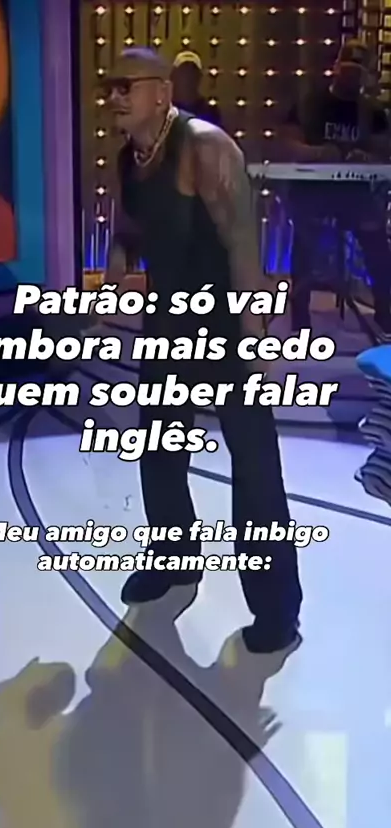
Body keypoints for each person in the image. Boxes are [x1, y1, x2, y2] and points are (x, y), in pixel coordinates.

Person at [104, 48, 302, 654]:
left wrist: (256, 336)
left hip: (226, 329)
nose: (114, 97)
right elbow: (129, 231)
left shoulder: (206, 147)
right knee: (159, 451)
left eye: (126, 86)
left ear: (161, 93)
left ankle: (277, 609)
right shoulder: (131, 159)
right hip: (168, 327)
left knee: (255, 468)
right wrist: (111, 287)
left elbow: (243, 244)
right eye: (110, 86)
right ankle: (174, 557)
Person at [280, 39, 391, 339]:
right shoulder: (311, 104)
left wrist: (368, 158)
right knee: (305, 238)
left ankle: (386, 315)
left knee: (377, 240)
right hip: (313, 193)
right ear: (336, 68)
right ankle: (300, 317)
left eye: (358, 72)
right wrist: (318, 153)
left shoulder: (372, 112)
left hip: (355, 196)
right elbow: (286, 144)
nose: (352, 77)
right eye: (348, 69)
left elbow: (385, 150)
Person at [171, 50, 223, 127]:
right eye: (183, 72)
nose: (188, 77)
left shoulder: (209, 112)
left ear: (199, 76)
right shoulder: (166, 111)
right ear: (174, 76)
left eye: (192, 72)